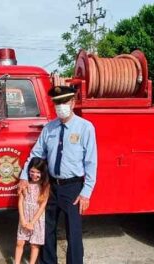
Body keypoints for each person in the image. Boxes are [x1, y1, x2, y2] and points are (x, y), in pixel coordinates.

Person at [18, 86, 97, 264]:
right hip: (51, 186)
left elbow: (91, 162)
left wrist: (86, 192)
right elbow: (36, 154)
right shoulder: (49, 128)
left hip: (73, 188)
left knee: (74, 232)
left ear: (73, 102)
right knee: (46, 228)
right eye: (57, 103)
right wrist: (24, 176)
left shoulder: (85, 128)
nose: (60, 106)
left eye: (64, 102)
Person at [15, 157, 50, 264]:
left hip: (37, 219)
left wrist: (32, 222)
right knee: (20, 242)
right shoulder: (25, 184)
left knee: (34, 245)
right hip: (25, 217)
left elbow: (42, 206)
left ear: (43, 173)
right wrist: (22, 219)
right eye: (32, 171)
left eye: (38, 172)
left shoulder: (45, 186)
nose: (34, 175)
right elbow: (20, 202)